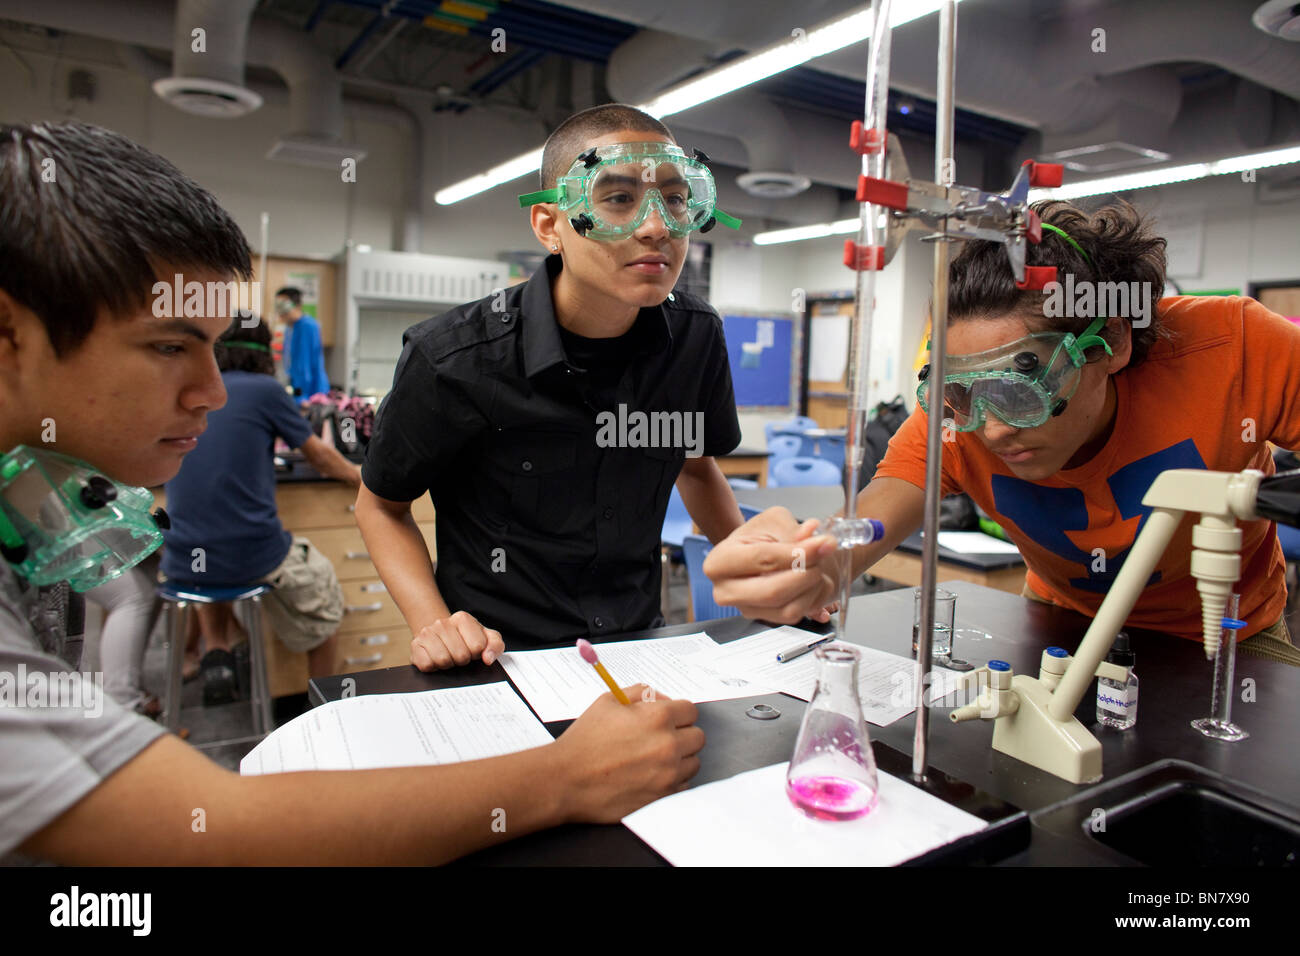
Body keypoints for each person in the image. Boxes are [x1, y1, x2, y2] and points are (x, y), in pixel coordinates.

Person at [0, 120, 703, 866]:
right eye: (170, 346)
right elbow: (196, 831)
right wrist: (567, 776)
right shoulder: (454, 355)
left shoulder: (689, 337)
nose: (211, 392)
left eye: (211, 348)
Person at [705, 200, 1300, 665]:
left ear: (1111, 342)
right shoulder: (954, 420)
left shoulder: (1237, 351)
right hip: (1061, 626)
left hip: (1229, 639)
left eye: (1020, 389)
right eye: (961, 393)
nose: (988, 427)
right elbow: (860, 534)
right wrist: (805, 565)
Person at [355, 103, 747, 672]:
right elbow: (381, 507)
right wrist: (435, 625)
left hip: (639, 650)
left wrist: (756, 567)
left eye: (677, 198)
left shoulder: (695, 337)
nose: (658, 226)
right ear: (549, 225)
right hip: (499, 660)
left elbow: (694, 464)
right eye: (618, 199)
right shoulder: (455, 359)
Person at [159, 314, 355, 703]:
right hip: (248, 559)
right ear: (266, 351)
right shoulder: (266, 391)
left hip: (180, 561)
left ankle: (217, 647)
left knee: (212, 557)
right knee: (325, 600)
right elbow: (319, 457)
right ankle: (324, 710)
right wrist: (363, 479)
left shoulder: (188, 389)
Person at [275, 286, 330, 401]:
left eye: (284, 306)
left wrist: (302, 398)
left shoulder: (307, 326)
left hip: (311, 393)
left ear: (297, 305)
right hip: (296, 389)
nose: (281, 312)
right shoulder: (290, 329)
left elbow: (304, 366)